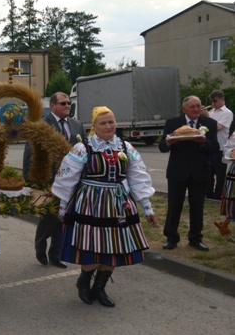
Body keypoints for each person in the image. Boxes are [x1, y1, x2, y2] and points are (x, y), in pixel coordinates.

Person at [52, 106, 157, 307]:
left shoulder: (126, 148)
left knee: (115, 248)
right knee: (92, 247)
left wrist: (147, 207)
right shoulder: (84, 148)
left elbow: (139, 179)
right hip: (90, 203)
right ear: (94, 126)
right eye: (103, 123)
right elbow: (67, 179)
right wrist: (63, 207)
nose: (108, 126)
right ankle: (84, 281)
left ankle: (99, 288)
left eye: (111, 122)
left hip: (119, 204)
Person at [23, 92, 84, 269]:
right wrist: (31, 181)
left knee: (63, 218)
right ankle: (40, 246)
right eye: (64, 103)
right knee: (49, 217)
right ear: (53, 105)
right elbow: (30, 153)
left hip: (71, 180)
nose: (68, 106)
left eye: (69, 103)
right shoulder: (42, 125)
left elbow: (83, 149)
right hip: (48, 180)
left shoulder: (77, 125)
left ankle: (56, 254)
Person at [159, 95, 218, 251]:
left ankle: (195, 238)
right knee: (174, 206)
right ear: (183, 109)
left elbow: (214, 148)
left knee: (197, 207)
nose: (196, 109)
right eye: (192, 106)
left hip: (200, 171)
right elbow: (162, 147)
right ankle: (171, 238)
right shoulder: (173, 123)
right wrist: (169, 142)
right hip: (178, 172)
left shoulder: (209, 123)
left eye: (198, 106)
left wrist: (204, 142)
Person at [203, 90, 233, 200]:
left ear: (221, 99)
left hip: (220, 146)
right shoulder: (211, 112)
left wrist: (207, 117)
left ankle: (218, 194)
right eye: (211, 101)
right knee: (209, 171)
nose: (212, 103)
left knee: (219, 173)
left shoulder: (227, 113)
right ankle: (208, 193)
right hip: (209, 145)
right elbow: (204, 127)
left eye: (215, 101)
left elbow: (218, 127)